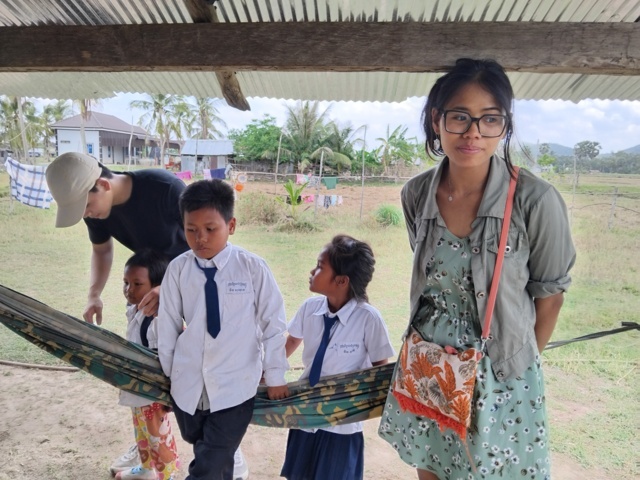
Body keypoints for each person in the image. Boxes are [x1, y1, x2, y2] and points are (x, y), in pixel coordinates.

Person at [378, 58, 576, 480]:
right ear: (436, 120)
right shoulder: (416, 194)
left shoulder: (535, 201)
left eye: (490, 119)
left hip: (500, 374)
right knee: (431, 468)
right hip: (430, 365)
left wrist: (507, 368)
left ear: (504, 125)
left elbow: (550, 298)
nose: (473, 133)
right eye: (460, 117)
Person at [45, 153, 250, 479]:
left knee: (205, 371)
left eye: (85, 207)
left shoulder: (165, 190)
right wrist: (94, 293)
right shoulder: (97, 208)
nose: (86, 215)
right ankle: (149, 447)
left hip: (198, 292)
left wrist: (169, 288)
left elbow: (210, 245)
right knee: (150, 372)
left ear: (102, 185)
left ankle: (229, 453)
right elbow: (102, 250)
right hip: (152, 297)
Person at [157, 179, 290, 480]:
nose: (200, 238)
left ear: (231, 225)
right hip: (188, 387)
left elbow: (273, 323)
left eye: (210, 229)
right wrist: (170, 373)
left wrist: (276, 375)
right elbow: (168, 324)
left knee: (210, 464)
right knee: (208, 452)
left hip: (235, 386)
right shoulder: (178, 270)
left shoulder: (252, 268)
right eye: (191, 229)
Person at [281, 234, 395, 480]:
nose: (312, 271)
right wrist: (267, 371)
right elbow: (291, 341)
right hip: (304, 416)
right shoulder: (309, 308)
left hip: (341, 425)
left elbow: (380, 371)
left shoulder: (368, 319)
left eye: (320, 267)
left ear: (342, 280)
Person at [117, 249, 180, 480]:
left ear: (156, 287)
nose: (129, 290)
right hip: (137, 389)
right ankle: (146, 470)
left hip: (153, 393)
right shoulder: (135, 309)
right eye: (126, 282)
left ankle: (167, 475)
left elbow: (170, 358)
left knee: (158, 438)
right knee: (142, 432)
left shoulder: (158, 320)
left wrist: (170, 395)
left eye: (137, 284)